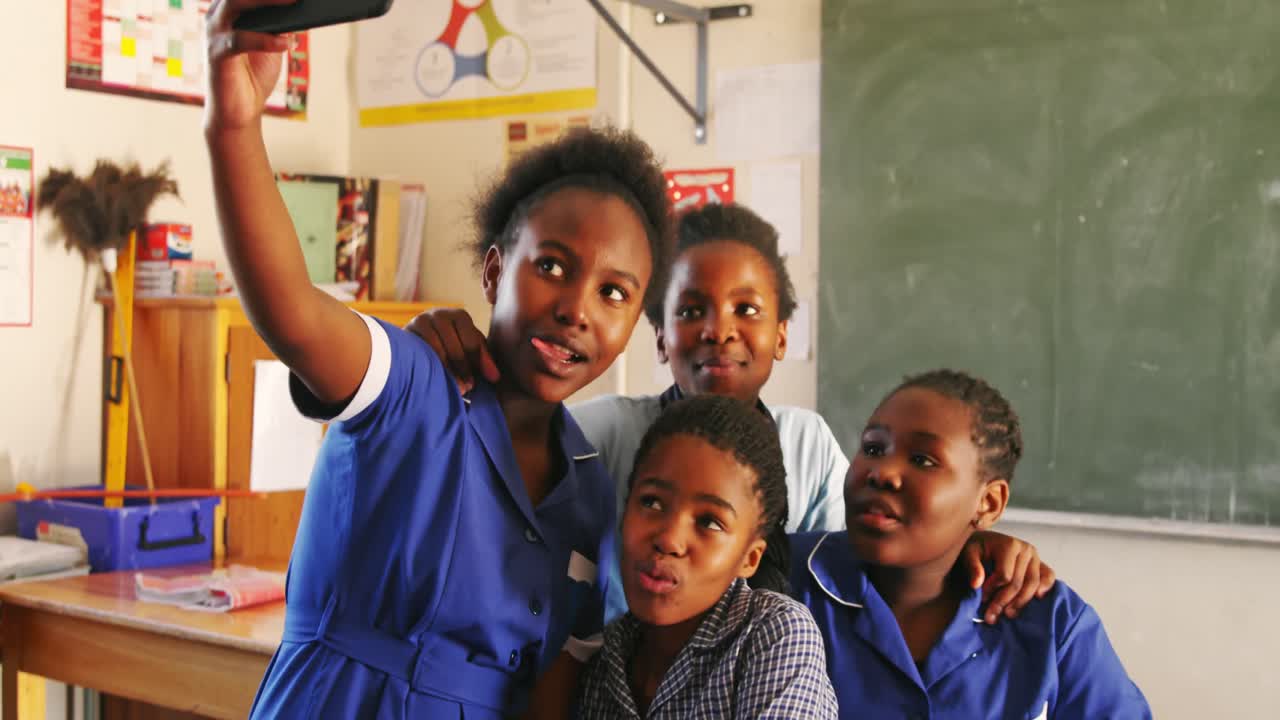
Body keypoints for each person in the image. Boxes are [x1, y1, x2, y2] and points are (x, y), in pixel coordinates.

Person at [203, 2, 673, 716]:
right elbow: (293, 316)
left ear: (635, 321)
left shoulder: (588, 492)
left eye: (613, 292)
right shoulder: (416, 381)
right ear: (492, 273)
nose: (577, 307)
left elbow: (553, 683)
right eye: (551, 265)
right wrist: (235, 124)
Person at [408, 203, 1055, 625]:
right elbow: (490, 486)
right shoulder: (604, 431)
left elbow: (875, 557)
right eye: (690, 311)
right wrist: (438, 353)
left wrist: (973, 542)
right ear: (658, 337)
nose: (719, 331)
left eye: (747, 310)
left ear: (780, 335)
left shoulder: (803, 441)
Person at [791, 370, 1151, 718]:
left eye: (922, 459)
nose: (881, 472)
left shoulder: (1051, 624)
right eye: (873, 447)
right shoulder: (782, 581)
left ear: (989, 503)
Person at [577, 395, 838, 719]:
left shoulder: (774, 634)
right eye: (652, 503)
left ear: (750, 558)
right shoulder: (608, 658)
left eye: (709, 522)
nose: (669, 539)